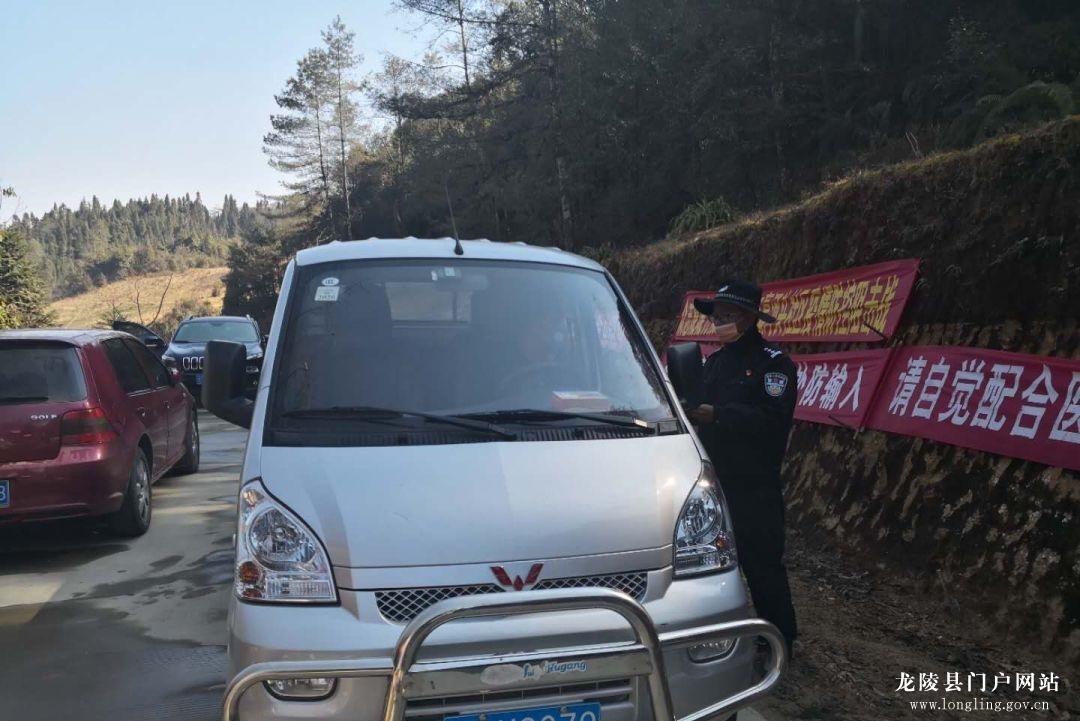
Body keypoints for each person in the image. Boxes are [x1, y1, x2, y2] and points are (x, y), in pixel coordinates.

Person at [685, 279, 799, 657]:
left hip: (754, 483)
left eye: (726, 317)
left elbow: (772, 419)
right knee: (710, 562)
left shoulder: (773, 364)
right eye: (716, 317)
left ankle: (779, 642)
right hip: (713, 481)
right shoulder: (714, 363)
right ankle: (718, 639)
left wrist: (719, 415)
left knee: (762, 564)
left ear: (748, 318)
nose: (719, 324)